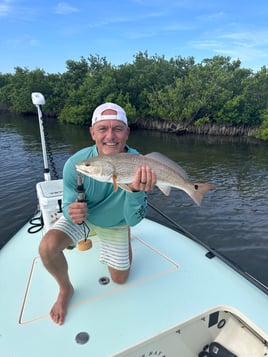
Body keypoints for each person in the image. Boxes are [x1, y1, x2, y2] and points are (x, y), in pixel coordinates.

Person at [39, 102, 156, 325]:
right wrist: (71, 209)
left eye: (117, 128)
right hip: (84, 219)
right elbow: (69, 204)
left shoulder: (141, 165)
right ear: (93, 132)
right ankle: (65, 289)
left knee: (120, 280)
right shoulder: (77, 163)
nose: (110, 136)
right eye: (103, 128)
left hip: (117, 221)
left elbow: (135, 218)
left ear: (127, 133)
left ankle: (123, 238)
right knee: (47, 246)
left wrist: (134, 191)